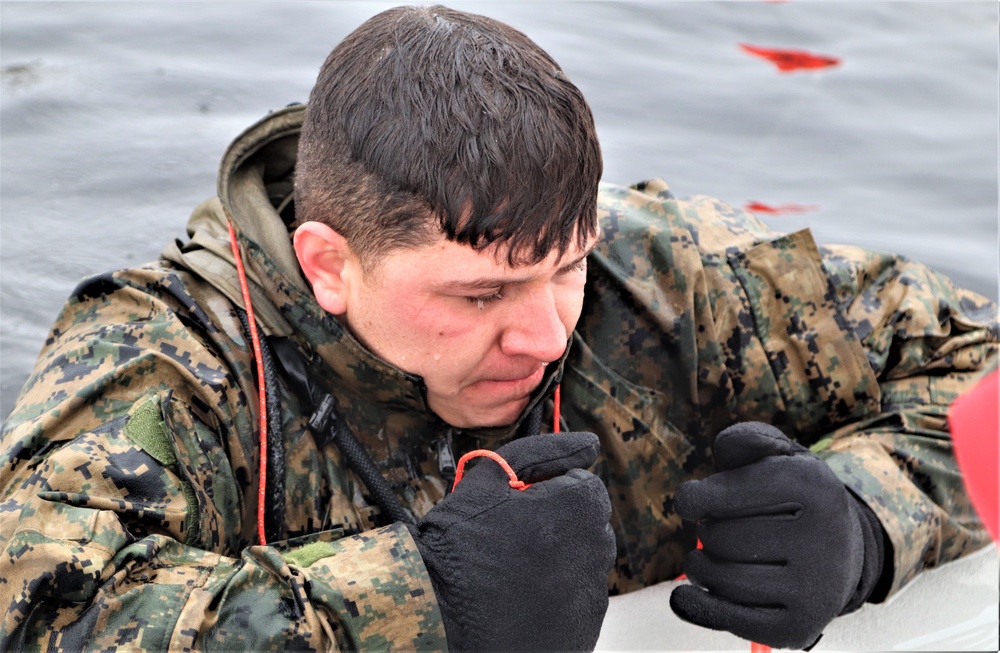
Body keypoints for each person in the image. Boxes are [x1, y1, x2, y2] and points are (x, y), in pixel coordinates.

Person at [1, 4, 996, 651]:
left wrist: (867, 521)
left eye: (562, 270)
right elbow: (36, 605)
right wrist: (421, 599)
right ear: (327, 264)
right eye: (479, 297)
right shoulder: (170, 354)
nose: (545, 334)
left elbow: (981, 362)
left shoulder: (662, 270)